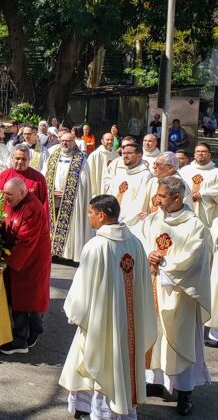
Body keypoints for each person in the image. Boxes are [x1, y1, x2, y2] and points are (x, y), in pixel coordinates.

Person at [59, 195, 156, 419]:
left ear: (101, 216)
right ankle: (108, 408)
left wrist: (75, 313)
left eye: (90, 213)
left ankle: (97, 412)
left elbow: (82, 291)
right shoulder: (135, 243)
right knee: (119, 363)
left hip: (100, 321)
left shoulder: (96, 246)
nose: (89, 217)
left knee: (95, 358)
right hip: (129, 324)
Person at [131, 177, 211, 416]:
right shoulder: (154, 219)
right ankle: (155, 381)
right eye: (158, 195)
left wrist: (164, 262)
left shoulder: (194, 226)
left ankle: (185, 393)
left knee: (179, 342)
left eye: (163, 196)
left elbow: (195, 259)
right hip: (152, 285)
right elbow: (138, 241)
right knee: (153, 337)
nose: (158, 199)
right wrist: (149, 256)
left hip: (178, 293)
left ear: (177, 198)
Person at [0, 178, 51, 354]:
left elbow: (25, 241)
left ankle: (22, 340)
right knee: (21, 297)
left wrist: (6, 263)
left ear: (22, 192)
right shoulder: (14, 200)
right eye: (5, 194)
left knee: (26, 298)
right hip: (19, 255)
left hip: (30, 259)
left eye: (9, 195)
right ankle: (30, 332)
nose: (6, 199)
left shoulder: (32, 209)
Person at [42, 133, 92, 263]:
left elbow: (84, 181)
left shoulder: (80, 159)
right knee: (52, 222)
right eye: (63, 141)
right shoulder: (53, 155)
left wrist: (68, 192)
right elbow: (44, 173)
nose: (65, 143)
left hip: (71, 199)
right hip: (52, 197)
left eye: (68, 141)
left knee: (70, 225)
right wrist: (50, 190)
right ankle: (52, 252)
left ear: (74, 142)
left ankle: (68, 254)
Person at [106, 143, 153, 226]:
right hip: (112, 220)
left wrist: (123, 222)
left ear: (139, 156)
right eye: (123, 153)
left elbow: (140, 203)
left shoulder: (145, 175)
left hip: (129, 224)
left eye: (129, 153)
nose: (125, 156)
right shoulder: (120, 172)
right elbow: (110, 194)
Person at [179, 142, 218, 228]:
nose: (200, 153)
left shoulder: (216, 172)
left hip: (207, 216)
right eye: (198, 151)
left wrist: (203, 193)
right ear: (194, 154)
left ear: (209, 154)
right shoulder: (184, 170)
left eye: (203, 151)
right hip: (185, 212)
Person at [86, 132, 118, 198]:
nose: (110, 141)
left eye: (112, 140)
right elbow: (88, 174)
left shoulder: (116, 155)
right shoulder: (94, 155)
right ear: (102, 141)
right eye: (108, 140)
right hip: (98, 187)